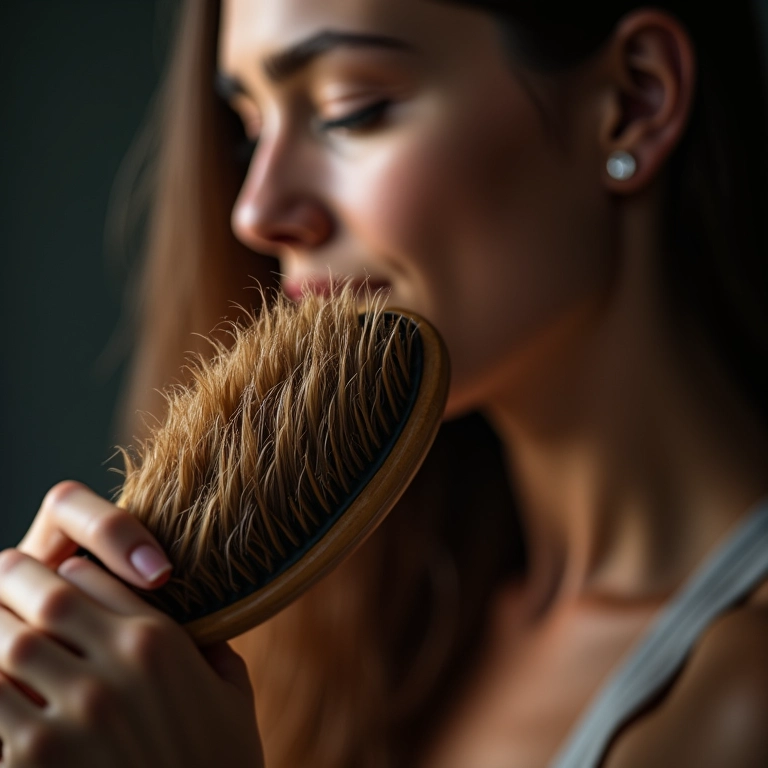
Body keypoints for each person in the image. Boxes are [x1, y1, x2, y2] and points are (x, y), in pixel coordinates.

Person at [2, 0, 768, 765]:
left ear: (635, 101)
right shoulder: (372, 624)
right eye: (249, 129)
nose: (256, 211)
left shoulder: (737, 700)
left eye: (351, 110)